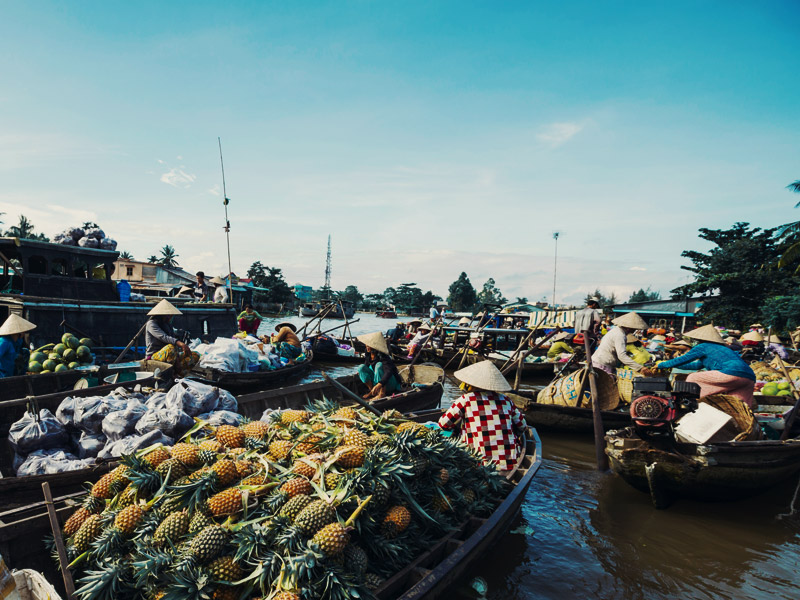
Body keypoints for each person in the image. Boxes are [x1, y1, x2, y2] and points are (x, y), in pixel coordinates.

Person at [437, 360, 524, 473]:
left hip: (478, 464)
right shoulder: (506, 400)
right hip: (507, 464)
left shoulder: (466, 399)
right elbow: (522, 426)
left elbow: (443, 424)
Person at [656, 324, 756, 407]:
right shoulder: (720, 348)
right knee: (740, 406)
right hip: (749, 378)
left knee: (693, 377)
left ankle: (687, 405)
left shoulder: (702, 346)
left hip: (731, 373)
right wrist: (672, 365)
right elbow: (695, 366)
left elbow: (684, 359)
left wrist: (663, 365)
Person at [591, 312, 655, 377]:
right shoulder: (620, 335)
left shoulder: (616, 330)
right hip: (602, 363)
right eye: (634, 328)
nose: (635, 330)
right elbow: (622, 356)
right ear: (629, 328)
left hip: (600, 361)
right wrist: (640, 368)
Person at [145, 299, 198, 376]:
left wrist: (177, 361)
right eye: (168, 315)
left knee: (195, 355)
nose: (170, 317)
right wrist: (181, 344)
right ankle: (171, 374)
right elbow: (163, 337)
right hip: (154, 356)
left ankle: (179, 373)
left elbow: (172, 340)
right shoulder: (151, 324)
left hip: (171, 354)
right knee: (170, 348)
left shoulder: (167, 325)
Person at [357, 332, 401, 399]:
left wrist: (380, 384)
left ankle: (382, 393)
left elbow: (388, 372)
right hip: (377, 381)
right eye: (367, 345)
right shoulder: (368, 352)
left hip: (389, 382)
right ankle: (372, 391)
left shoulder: (383, 355)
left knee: (379, 365)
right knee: (361, 367)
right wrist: (361, 372)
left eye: (369, 345)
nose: (367, 347)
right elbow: (366, 364)